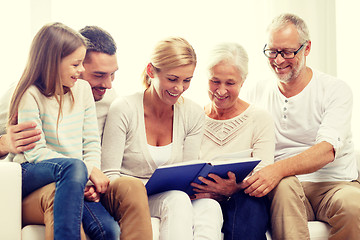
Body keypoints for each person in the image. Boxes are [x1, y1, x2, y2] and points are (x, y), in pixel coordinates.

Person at [0, 25, 152, 240]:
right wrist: (6, 142)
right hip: (42, 175)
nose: (107, 85)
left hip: (79, 177)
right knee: (73, 170)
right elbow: (35, 153)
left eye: (113, 75)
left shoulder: (94, 94)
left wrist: (90, 181)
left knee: (110, 225)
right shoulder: (24, 93)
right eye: (98, 74)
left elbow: (91, 143)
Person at [242, 13, 360, 240]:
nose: (278, 60)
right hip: (287, 186)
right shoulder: (255, 91)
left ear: (306, 48)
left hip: (335, 184)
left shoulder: (335, 90)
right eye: (272, 51)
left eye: (287, 52)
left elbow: (326, 150)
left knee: (353, 206)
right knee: (284, 186)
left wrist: (276, 170)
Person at [101, 36, 223, 240]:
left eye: (187, 80)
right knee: (176, 200)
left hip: (172, 194)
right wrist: (141, 189)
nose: (179, 88)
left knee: (210, 206)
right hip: (130, 198)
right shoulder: (124, 108)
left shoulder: (192, 113)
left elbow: (188, 169)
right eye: (172, 79)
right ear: (151, 71)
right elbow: (109, 173)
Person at [190, 43, 274, 240]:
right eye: (214, 81)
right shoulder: (193, 116)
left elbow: (263, 172)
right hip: (201, 197)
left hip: (245, 197)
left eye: (230, 83)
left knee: (249, 205)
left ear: (242, 82)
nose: (221, 91)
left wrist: (233, 189)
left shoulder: (260, 118)